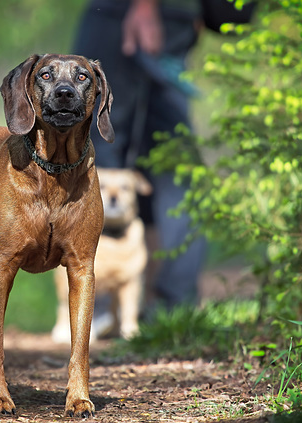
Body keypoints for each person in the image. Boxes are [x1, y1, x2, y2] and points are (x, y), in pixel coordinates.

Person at [73, 0, 210, 314]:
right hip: (176, 14)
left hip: (127, 12)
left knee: (100, 140)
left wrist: (144, 7)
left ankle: (97, 306)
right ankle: (173, 306)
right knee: (168, 153)